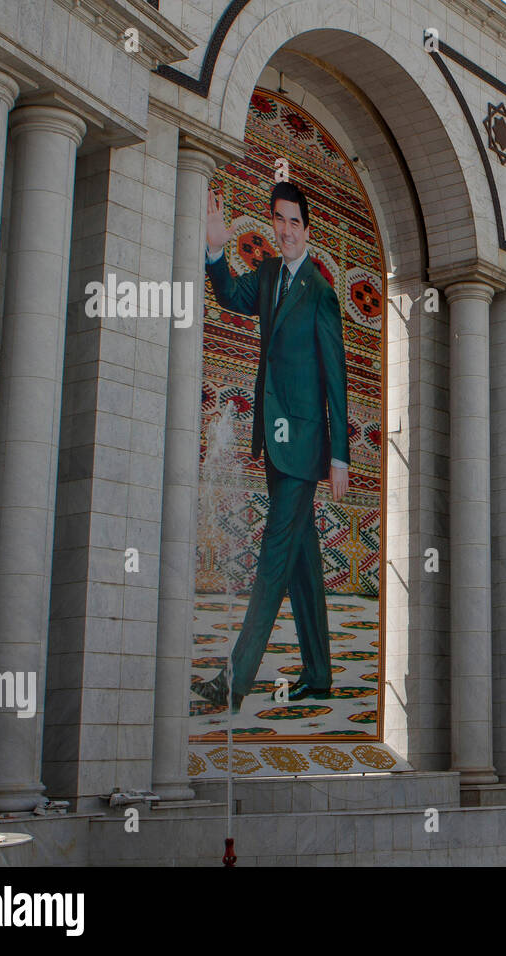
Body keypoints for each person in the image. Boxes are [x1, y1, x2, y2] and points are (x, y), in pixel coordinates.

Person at [193, 181, 349, 713]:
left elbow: (336, 379)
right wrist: (215, 249)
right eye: (278, 220)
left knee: (272, 557)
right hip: (274, 439)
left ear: (308, 228)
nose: (285, 230)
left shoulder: (321, 292)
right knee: (303, 559)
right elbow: (229, 297)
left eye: (294, 222)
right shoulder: (264, 276)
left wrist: (339, 454)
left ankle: (233, 682)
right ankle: (320, 673)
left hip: (305, 446)